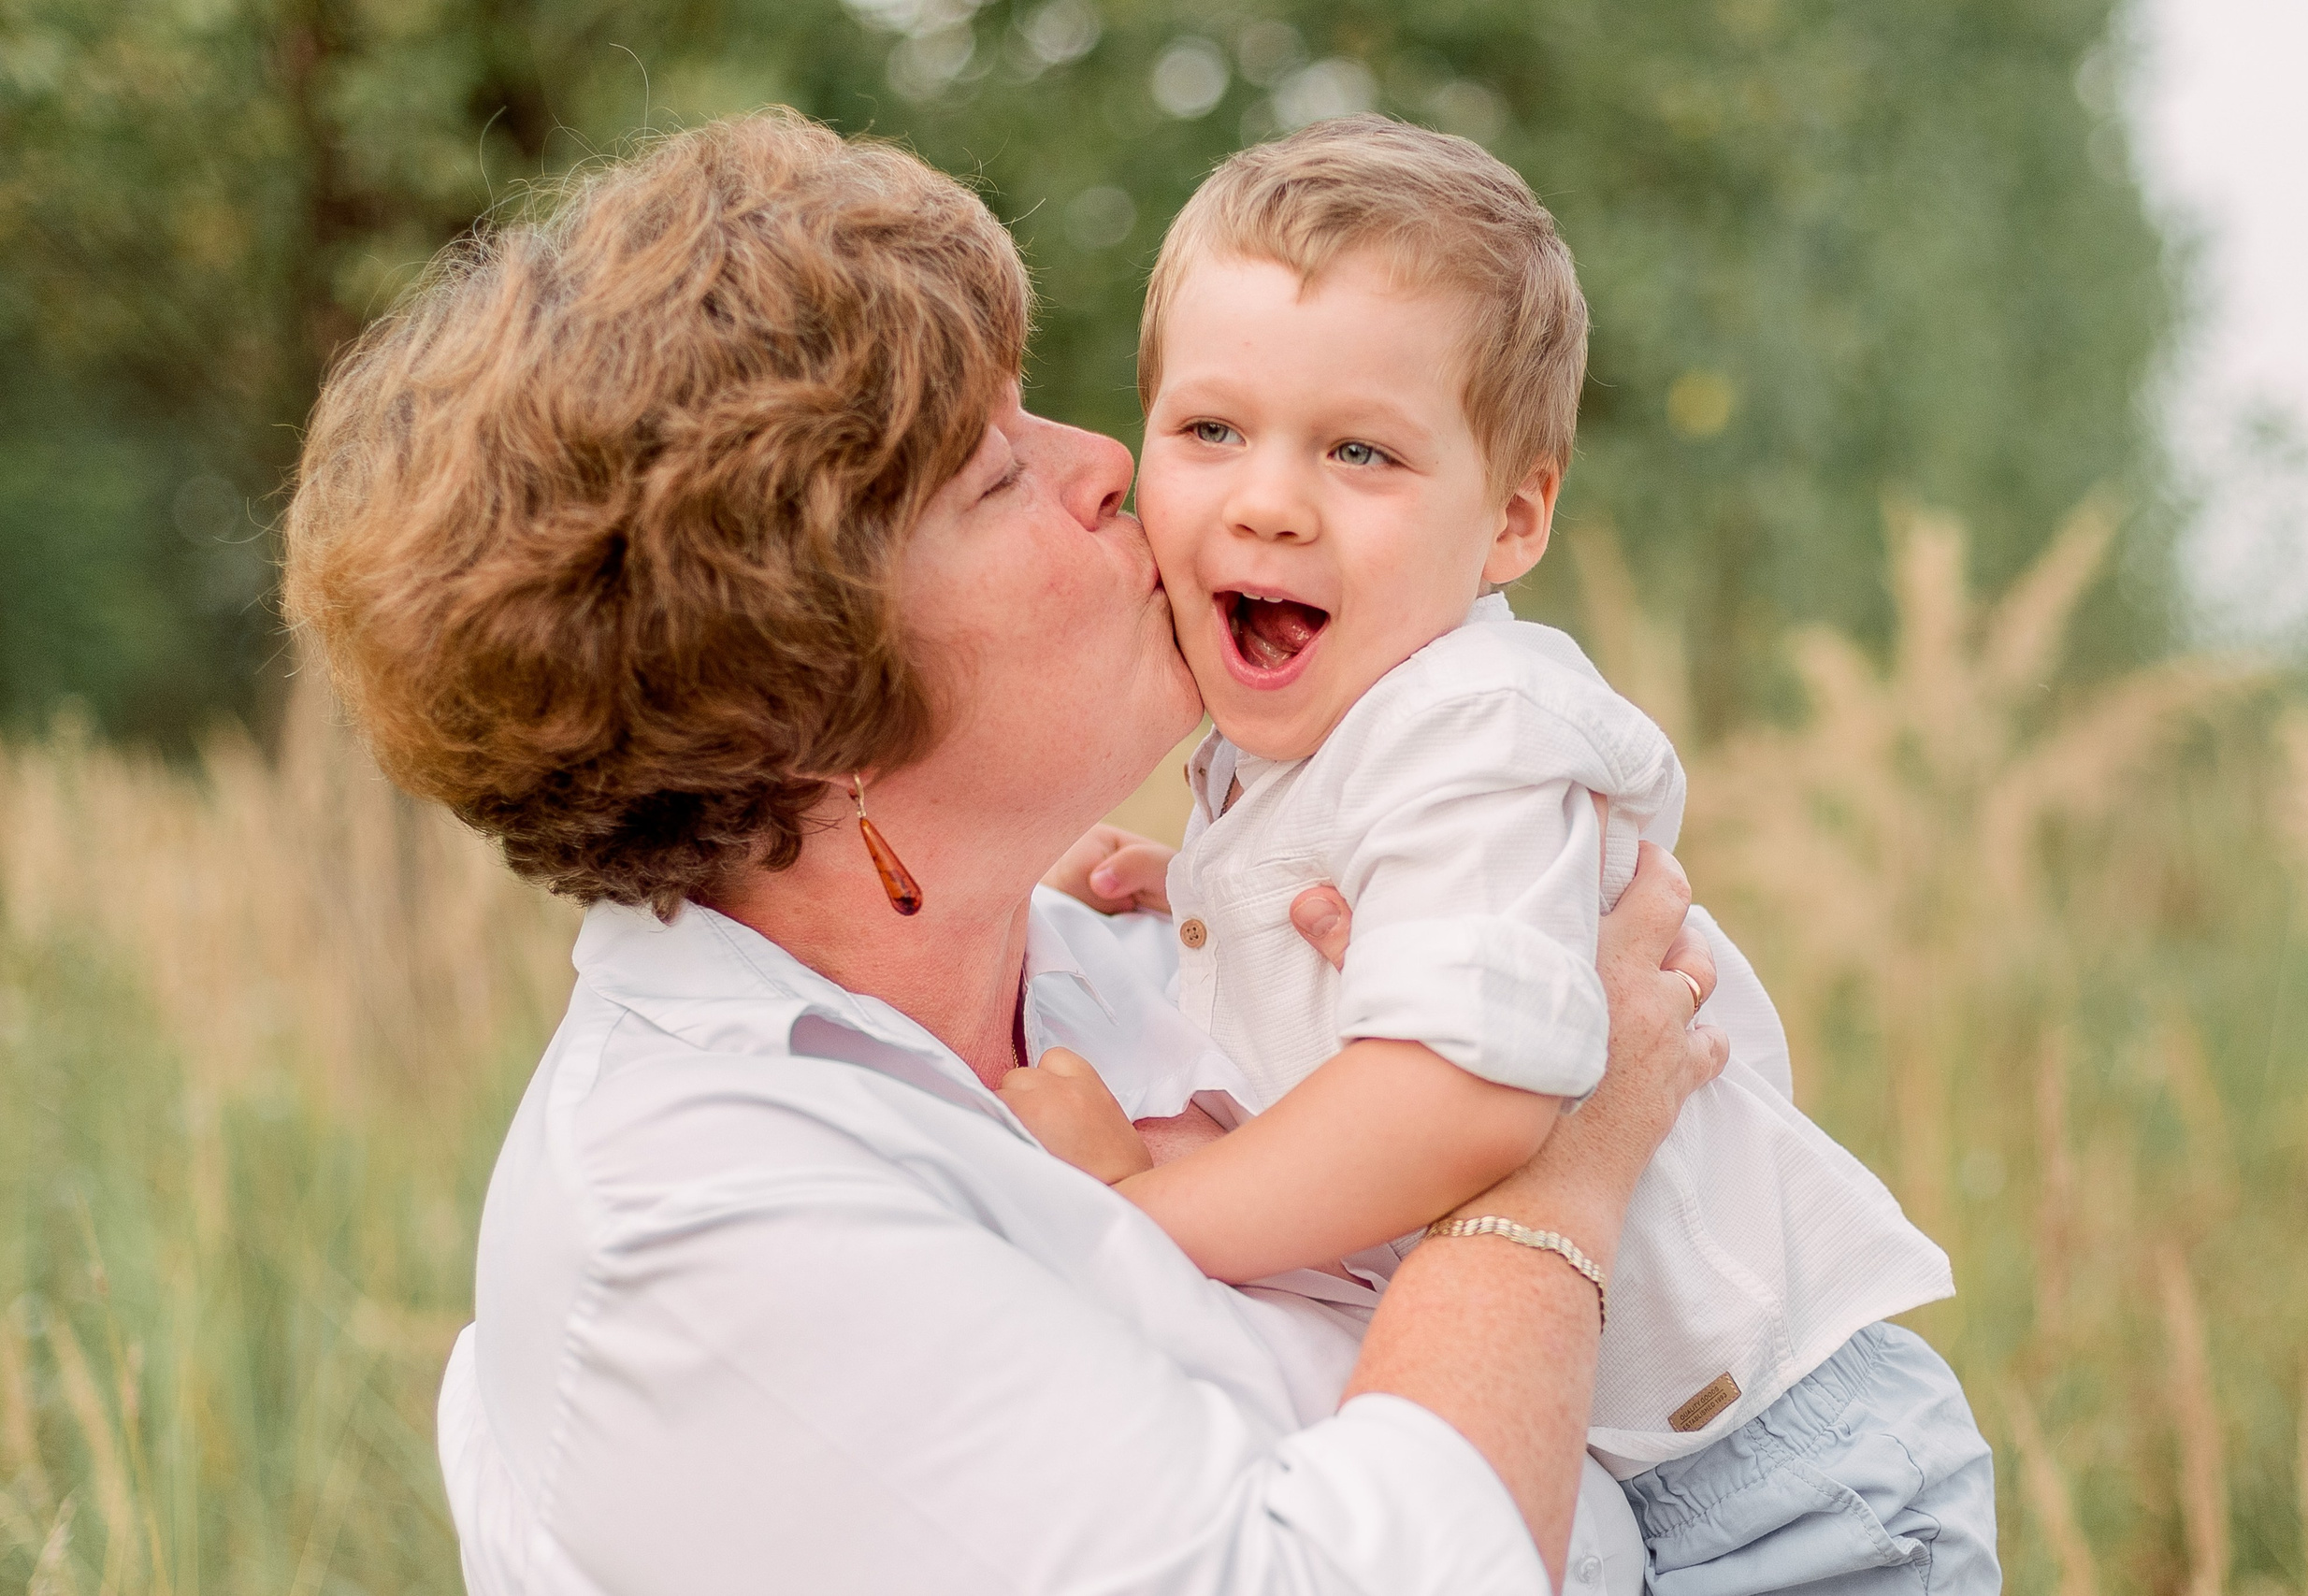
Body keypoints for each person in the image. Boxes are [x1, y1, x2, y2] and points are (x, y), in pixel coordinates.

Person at [280, 109, 1732, 1595]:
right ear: (806, 700)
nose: (1109, 461)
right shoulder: (700, 1226)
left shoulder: (1125, 957)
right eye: (992, 475)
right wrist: (1554, 1174)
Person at [1020, 118, 1998, 1593]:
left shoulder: (1478, 727)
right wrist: (1200, 886)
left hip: (1787, 1491)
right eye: (1211, 429)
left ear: (1514, 518)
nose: (1269, 496)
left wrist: (1149, 1214)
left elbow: (1456, 1098)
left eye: (1361, 451)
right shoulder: (1319, 739)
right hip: (1610, 1465)